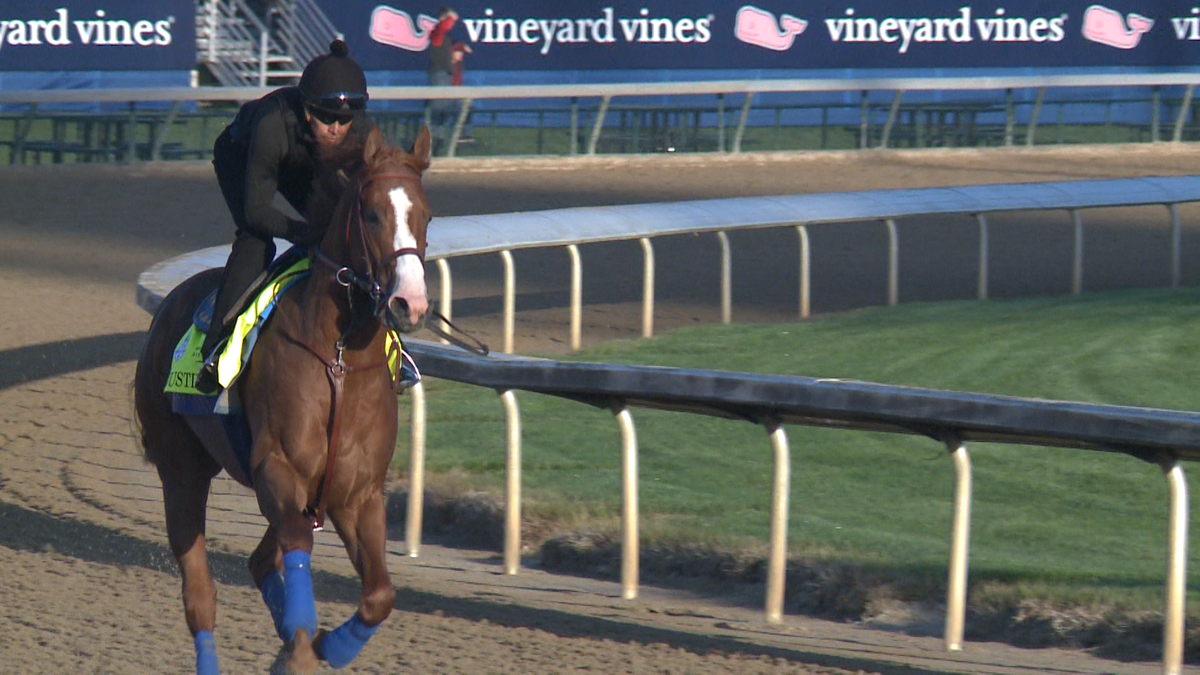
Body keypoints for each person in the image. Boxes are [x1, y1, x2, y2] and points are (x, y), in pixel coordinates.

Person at [195, 39, 371, 393]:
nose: (336, 128)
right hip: (241, 155)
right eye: (326, 118)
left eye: (344, 119)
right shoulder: (272, 124)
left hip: (301, 159)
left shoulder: (360, 131)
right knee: (256, 237)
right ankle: (216, 347)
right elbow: (257, 210)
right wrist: (303, 233)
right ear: (307, 110)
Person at [427, 7, 460, 152]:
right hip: (439, 75)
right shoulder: (436, 33)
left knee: (445, 109)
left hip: (445, 75)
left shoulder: (444, 37)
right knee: (439, 109)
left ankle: (439, 139)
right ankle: (435, 141)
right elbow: (443, 26)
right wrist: (451, 17)